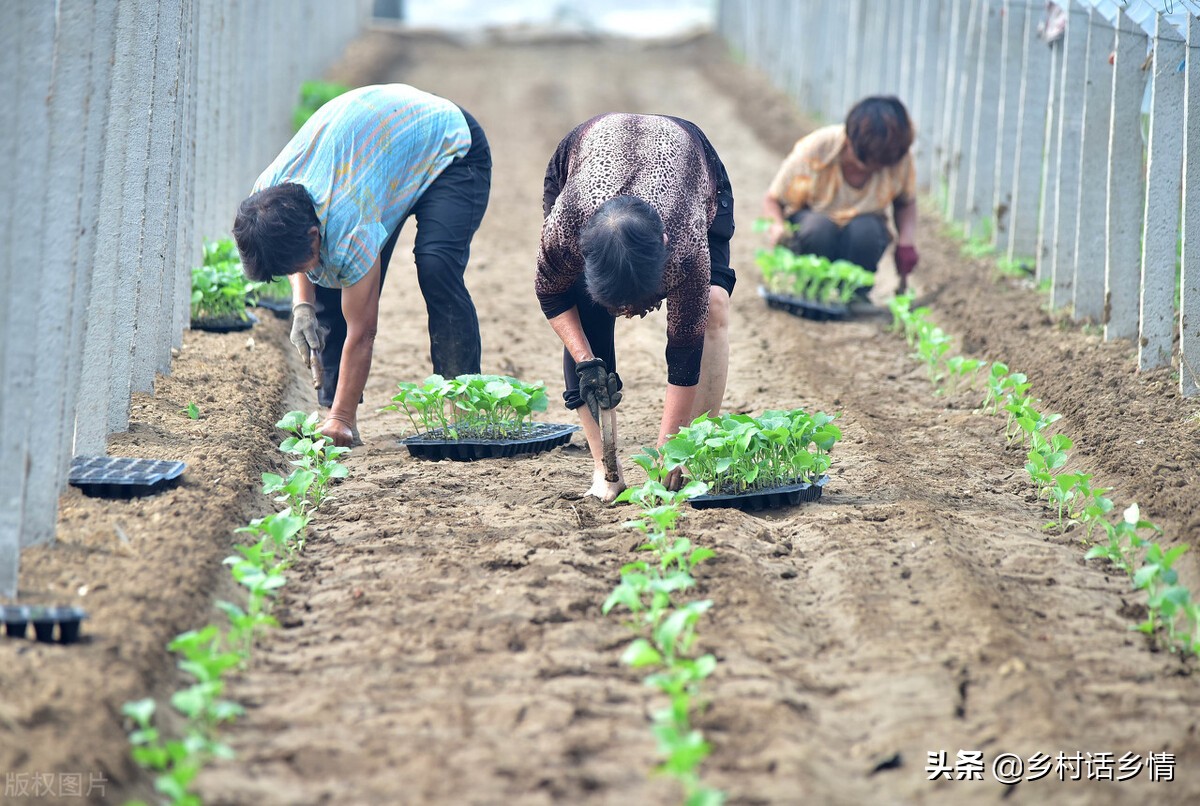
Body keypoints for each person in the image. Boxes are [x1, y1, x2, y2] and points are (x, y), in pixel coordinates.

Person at [234, 83, 491, 447]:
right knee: (326, 280)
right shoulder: (267, 199)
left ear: (313, 232)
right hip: (379, 156)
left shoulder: (350, 223)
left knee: (436, 264)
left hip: (449, 148)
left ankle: (464, 404)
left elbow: (364, 329)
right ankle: (333, 412)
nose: (305, 270)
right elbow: (300, 259)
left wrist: (344, 419)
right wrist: (302, 305)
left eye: (305, 258)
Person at [536, 113, 736, 502]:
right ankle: (605, 472)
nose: (627, 313)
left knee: (713, 304)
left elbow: (684, 351)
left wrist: (669, 456)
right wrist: (584, 361)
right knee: (584, 312)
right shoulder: (566, 228)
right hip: (585, 153)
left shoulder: (684, 242)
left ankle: (696, 456)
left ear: (663, 247)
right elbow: (553, 294)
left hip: (692, 163)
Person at [761, 95, 919, 302]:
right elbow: (773, 199)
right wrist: (777, 227)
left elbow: (905, 202)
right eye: (870, 164)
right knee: (818, 228)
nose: (877, 170)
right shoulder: (816, 149)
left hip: (862, 229)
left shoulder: (897, 158)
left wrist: (906, 243)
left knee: (867, 232)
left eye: (882, 165)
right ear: (850, 142)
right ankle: (810, 289)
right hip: (814, 224)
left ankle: (854, 295)